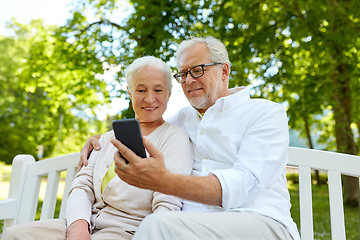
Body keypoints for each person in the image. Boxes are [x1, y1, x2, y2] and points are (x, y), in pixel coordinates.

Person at [80, 36, 301, 240]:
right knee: (160, 225)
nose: (188, 81)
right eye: (183, 74)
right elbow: (149, 124)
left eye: (197, 70)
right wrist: (103, 138)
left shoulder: (265, 113)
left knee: (156, 227)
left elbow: (245, 183)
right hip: (189, 227)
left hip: (260, 221)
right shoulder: (184, 119)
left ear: (224, 71)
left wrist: (164, 182)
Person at [1, 56, 194, 240]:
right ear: (129, 92)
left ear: (169, 93)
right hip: (83, 222)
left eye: (158, 90)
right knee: (13, 235)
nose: (150, 99)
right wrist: (78, 225)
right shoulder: (108, 137)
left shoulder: (175, 138)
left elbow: (167, 203)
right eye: (141, 90)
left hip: (128, 230)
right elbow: (82, 185)